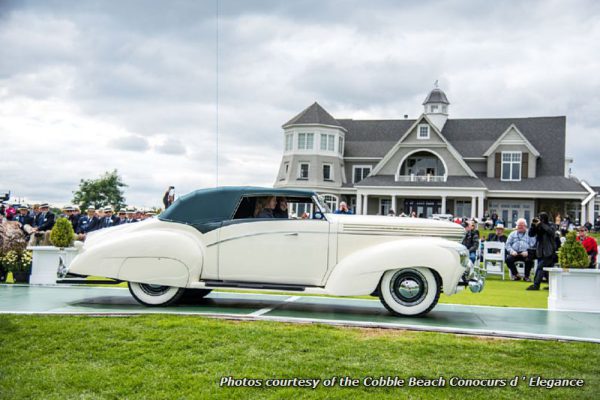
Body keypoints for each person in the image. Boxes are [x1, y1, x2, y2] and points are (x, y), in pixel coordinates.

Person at [527, 212, 557, 290]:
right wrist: (533, 226)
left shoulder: (551, 225)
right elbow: (530, 234)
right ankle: (552, 286)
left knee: (540, 267)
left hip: (549, 251)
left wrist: (541, 224)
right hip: (540, 251)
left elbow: (551, 232)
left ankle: (536, 285)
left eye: (541, 218)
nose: (539, 220)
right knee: (547, 270)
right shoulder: (538, 226)